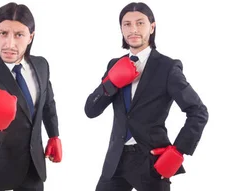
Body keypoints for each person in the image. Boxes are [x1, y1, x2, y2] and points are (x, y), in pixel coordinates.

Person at [84, 2, 209, 191]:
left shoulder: (167, 67)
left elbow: (198, 111)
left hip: (152, 160)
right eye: (127, 24)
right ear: (121, 29)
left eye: (140, 23)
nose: (133, 29)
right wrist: (111, 82)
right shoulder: (114, 65)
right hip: (116, 160)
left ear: (152, 27)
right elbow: (91, 110)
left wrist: (179, 150)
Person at [0, 2, 62, 191]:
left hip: (33, 169)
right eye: (3, 33)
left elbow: (48, 104)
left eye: (19, 35)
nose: (9, 43)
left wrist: (54, 135)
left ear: (30, 37)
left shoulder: (42, 65)